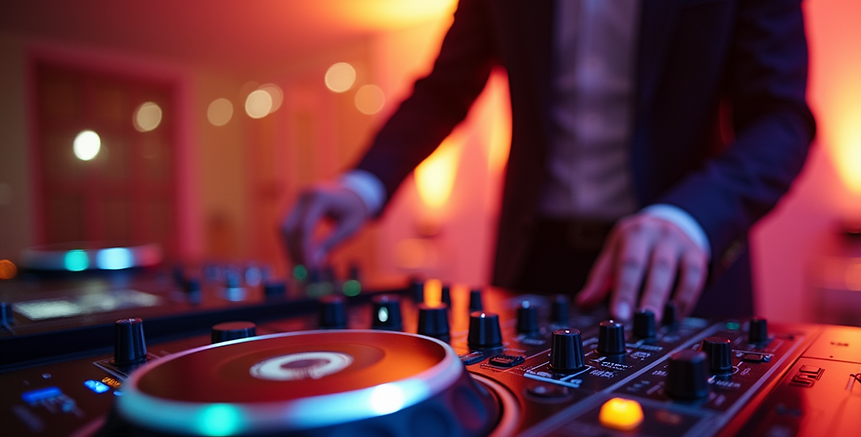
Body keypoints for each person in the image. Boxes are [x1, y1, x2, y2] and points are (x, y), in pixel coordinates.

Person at [282, 0, 815, 323]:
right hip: (536, 266)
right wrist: (363, 183)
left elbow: (780, 119)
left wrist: (689, 216)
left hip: (679, 274)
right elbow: (445, 89)